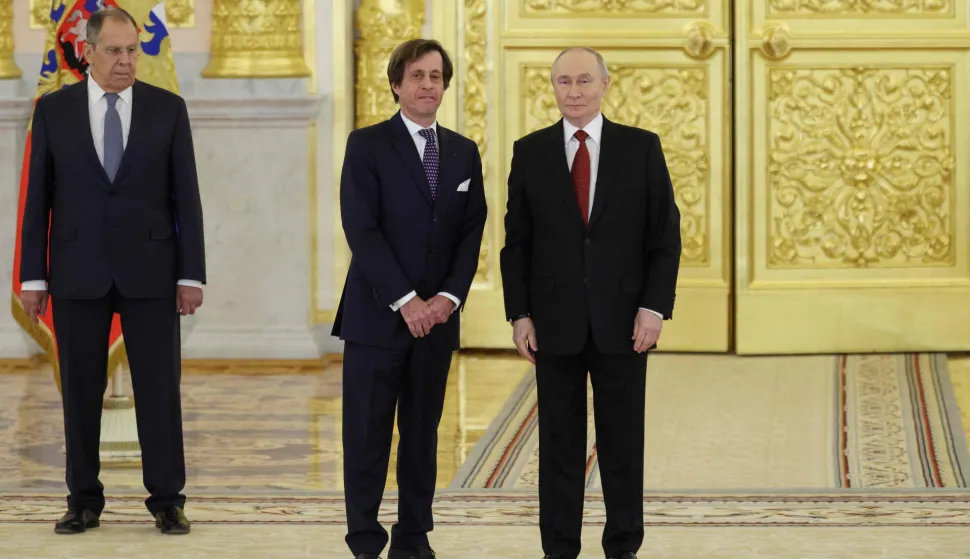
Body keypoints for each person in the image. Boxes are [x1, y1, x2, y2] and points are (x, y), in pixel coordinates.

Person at [19, 7, 205, 536]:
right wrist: (34, 278)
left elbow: (185, 198)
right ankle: (83, 500)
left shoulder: (167, 109)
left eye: (132, 51)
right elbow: (39, 201)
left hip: (152, 270)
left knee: (159, 390)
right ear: (89, 53)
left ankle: (167, 499)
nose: (126, 61)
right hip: (77, 271)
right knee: (79, 391)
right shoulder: (54, 111)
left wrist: (191, 274)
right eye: (116, 51)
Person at [499, 47, 681, 559]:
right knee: (559, 444)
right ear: (552, 88)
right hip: (553, 323)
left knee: (623, 444)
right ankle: (559, 548)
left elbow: (664, 237)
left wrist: (653, 307)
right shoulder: (529, 152)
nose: (573, 91)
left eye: (583, 81)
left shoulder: (640, 148)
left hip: (624, 322)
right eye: (563, 82)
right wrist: (520, 314)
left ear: (605, 85)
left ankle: (622, 546)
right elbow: (517, 244)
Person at [332, 38, 487, 559]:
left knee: (422, 434)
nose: (427, 85)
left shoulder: (464, 151)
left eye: (436, 76)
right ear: (396, 83)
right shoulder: (367, 144)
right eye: (417, 76)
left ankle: (414, 536)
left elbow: (472, 231)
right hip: (377, 318)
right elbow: (362, 228)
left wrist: (445, 298)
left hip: (437, 322)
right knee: (368, 435)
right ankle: (365, 539)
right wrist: (407, 300)